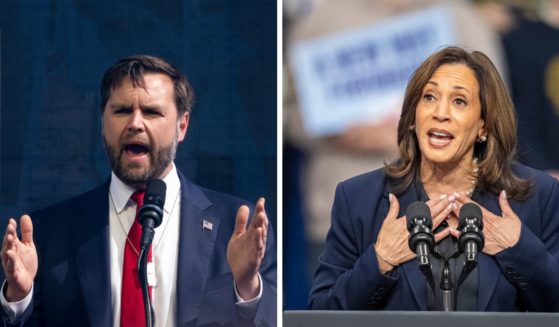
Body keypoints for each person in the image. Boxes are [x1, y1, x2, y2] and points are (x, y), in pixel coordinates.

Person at [0, 55, 276, 326]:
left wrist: (247, 285)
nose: (135, 123)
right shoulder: (49, 233)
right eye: (121, 111)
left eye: (152, 112)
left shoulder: (237, 225)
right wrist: (18, 297)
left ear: (182, 125)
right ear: (103, 122)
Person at [308, 46, 559, 311]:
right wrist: (380, 260)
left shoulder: (536, 196)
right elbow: (322, 313)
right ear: (413, 118)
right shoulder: (359, 199)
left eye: (459, 101)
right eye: (429, 97)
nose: (440, 113)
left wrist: (519, 250)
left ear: (484, 125)